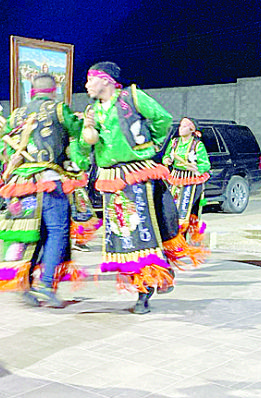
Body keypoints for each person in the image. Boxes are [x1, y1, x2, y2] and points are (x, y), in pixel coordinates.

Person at [77, 61, 205, 314]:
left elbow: (162, 119)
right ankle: (149, 281)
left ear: (105, 80)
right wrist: (88, 128)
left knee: (143, 233)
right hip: (111, 178)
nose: (86, 85)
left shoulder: (131, 98)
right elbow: (86, 143)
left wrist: (150, 145)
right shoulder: (94, 110)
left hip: (137, 174)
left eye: (90, 79)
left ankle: (145, 292)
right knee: (125, 235)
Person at [0, 73, 88, 308]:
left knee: (32, 232)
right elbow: (79, 136)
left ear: (32, 91)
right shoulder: (59, 109)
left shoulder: (17, 114)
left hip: (21, 183)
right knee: (57, 231)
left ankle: (24, 282)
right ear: (54, 90)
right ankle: (45, 282)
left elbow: (5, 145)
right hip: (49, 179)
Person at [163, 117, 211, 245]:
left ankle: (182, 240)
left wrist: (197, 168)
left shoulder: (197, 145)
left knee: (184, 210)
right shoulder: (174, 142)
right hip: (176, 177)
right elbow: (167, 156)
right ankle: (171, 238)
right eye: (180, 126)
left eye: (184, 126)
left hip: (191, 180)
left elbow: (205, 164)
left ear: (191, 130)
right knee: (171, 207)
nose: (180, 128)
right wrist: (167, 160)